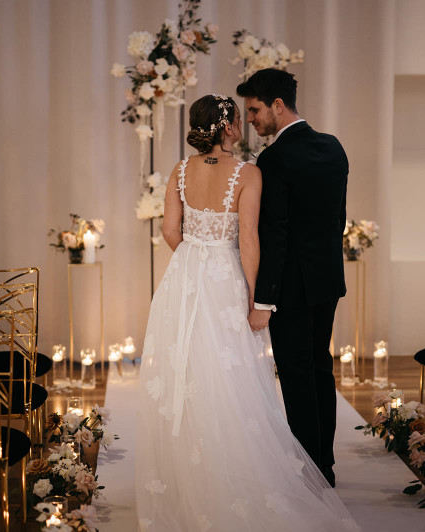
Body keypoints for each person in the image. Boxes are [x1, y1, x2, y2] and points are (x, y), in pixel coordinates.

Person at [135, 94, 358, 531]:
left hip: (184, 281)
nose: (243, 124)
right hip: (226, 278)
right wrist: (257, 299)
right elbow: (251, 239)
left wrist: (194, 260)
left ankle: (188, 478)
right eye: (238, 118)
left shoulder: (180, 171)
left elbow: (168, 230)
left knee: (190, 372)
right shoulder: (248, 174)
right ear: (228, 127)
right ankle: (230, 472)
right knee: (232, 375)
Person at [237, 68, 349, 488]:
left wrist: (262, 299)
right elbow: (337, 220)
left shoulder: (275, 159)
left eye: (254, 110)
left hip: (291, 289)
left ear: (278, 106)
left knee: (297, 377)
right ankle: (326, 466)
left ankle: (310, 474)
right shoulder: (333, 148)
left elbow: (275, 235)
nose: (251, 120)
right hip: (326, 284)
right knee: (320, 370)